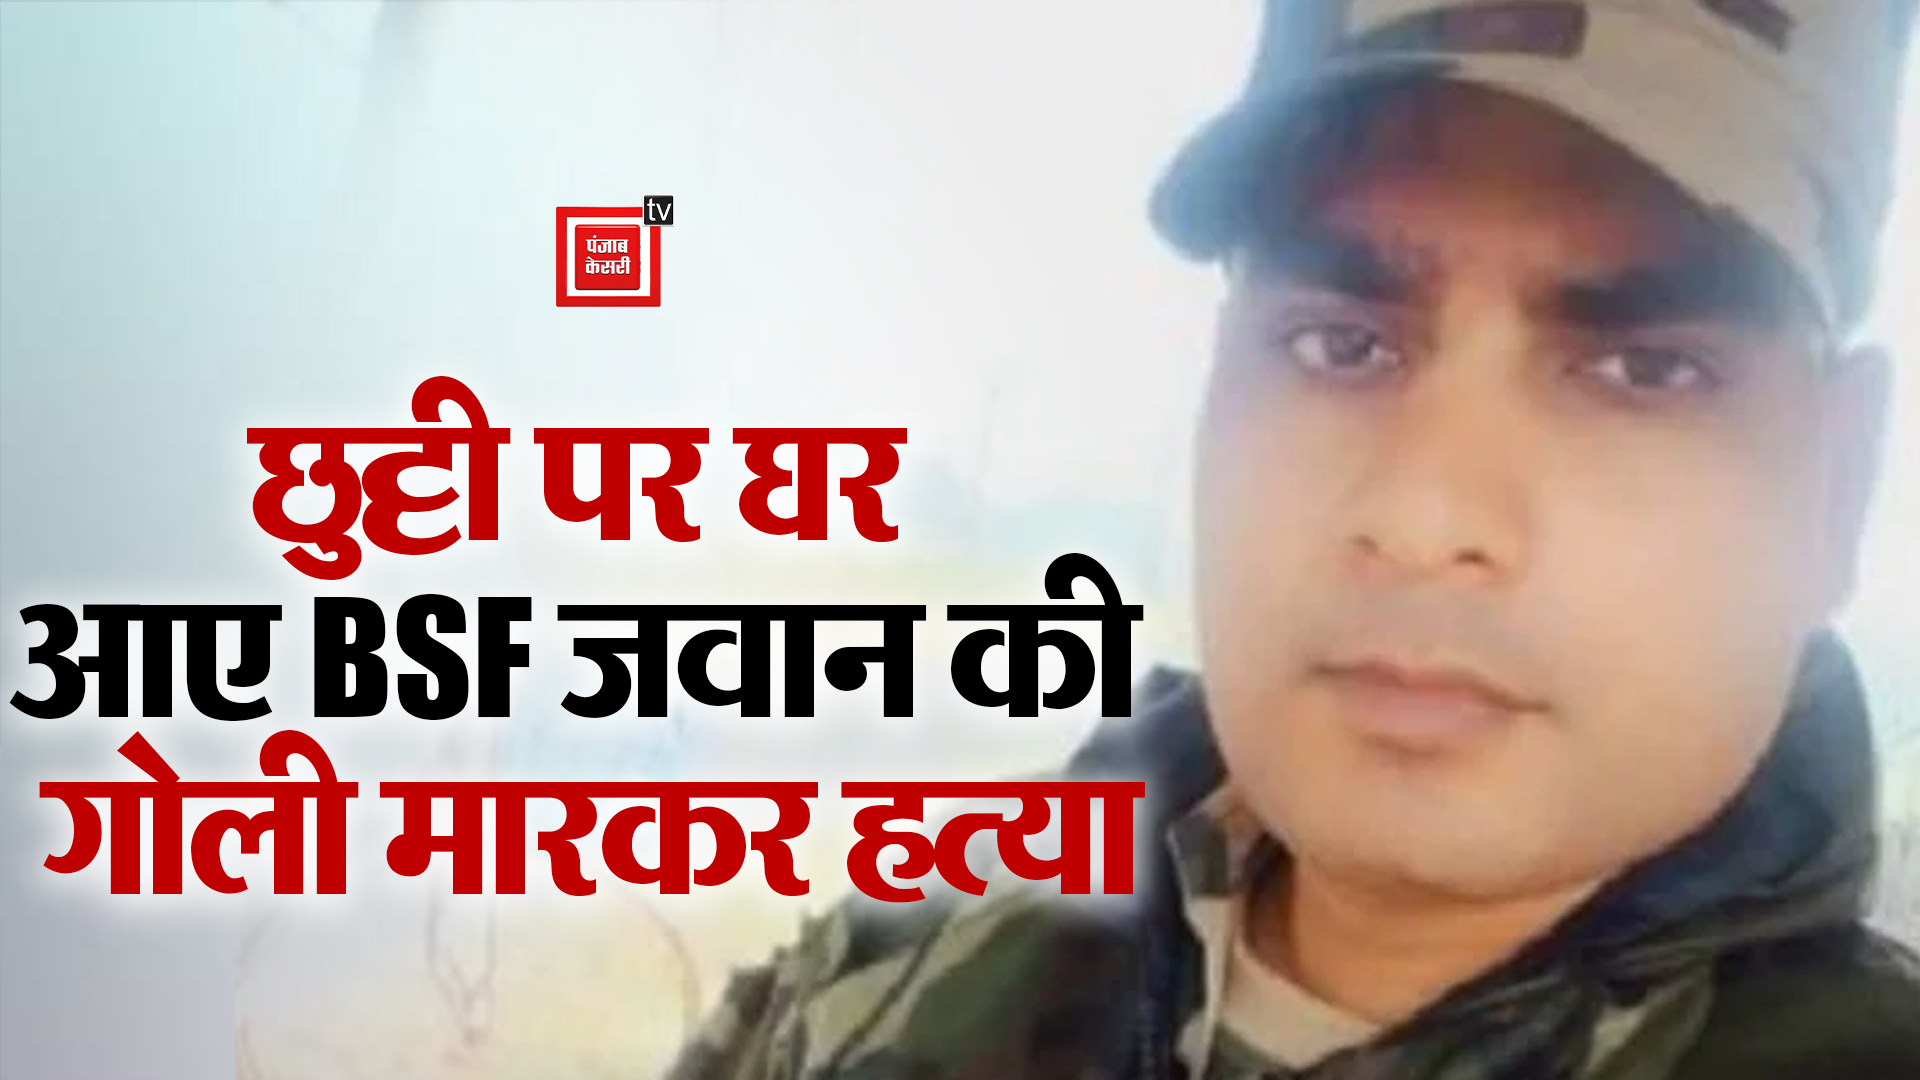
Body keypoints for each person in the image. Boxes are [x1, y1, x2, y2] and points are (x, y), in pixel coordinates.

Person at [666, 2, 1920, 1077]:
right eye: (1341, 344)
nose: (1423, 518)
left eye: (1644, 371)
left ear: (1838, 486)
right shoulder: (903, 955)